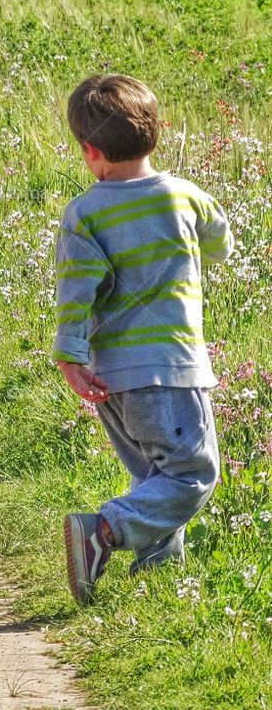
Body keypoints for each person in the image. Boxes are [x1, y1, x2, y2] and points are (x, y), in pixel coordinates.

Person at [54, 74, 233, 603]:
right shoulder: (183, 196)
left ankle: (159, 573)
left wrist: (69, 356)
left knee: (154, 474)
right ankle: (104, 531)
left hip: (111, 374)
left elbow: (74, 294)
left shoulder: (84, 213)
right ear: (157, 133)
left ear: (90, 151)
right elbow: (221, 242)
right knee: (191, 474)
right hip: (172, 366)